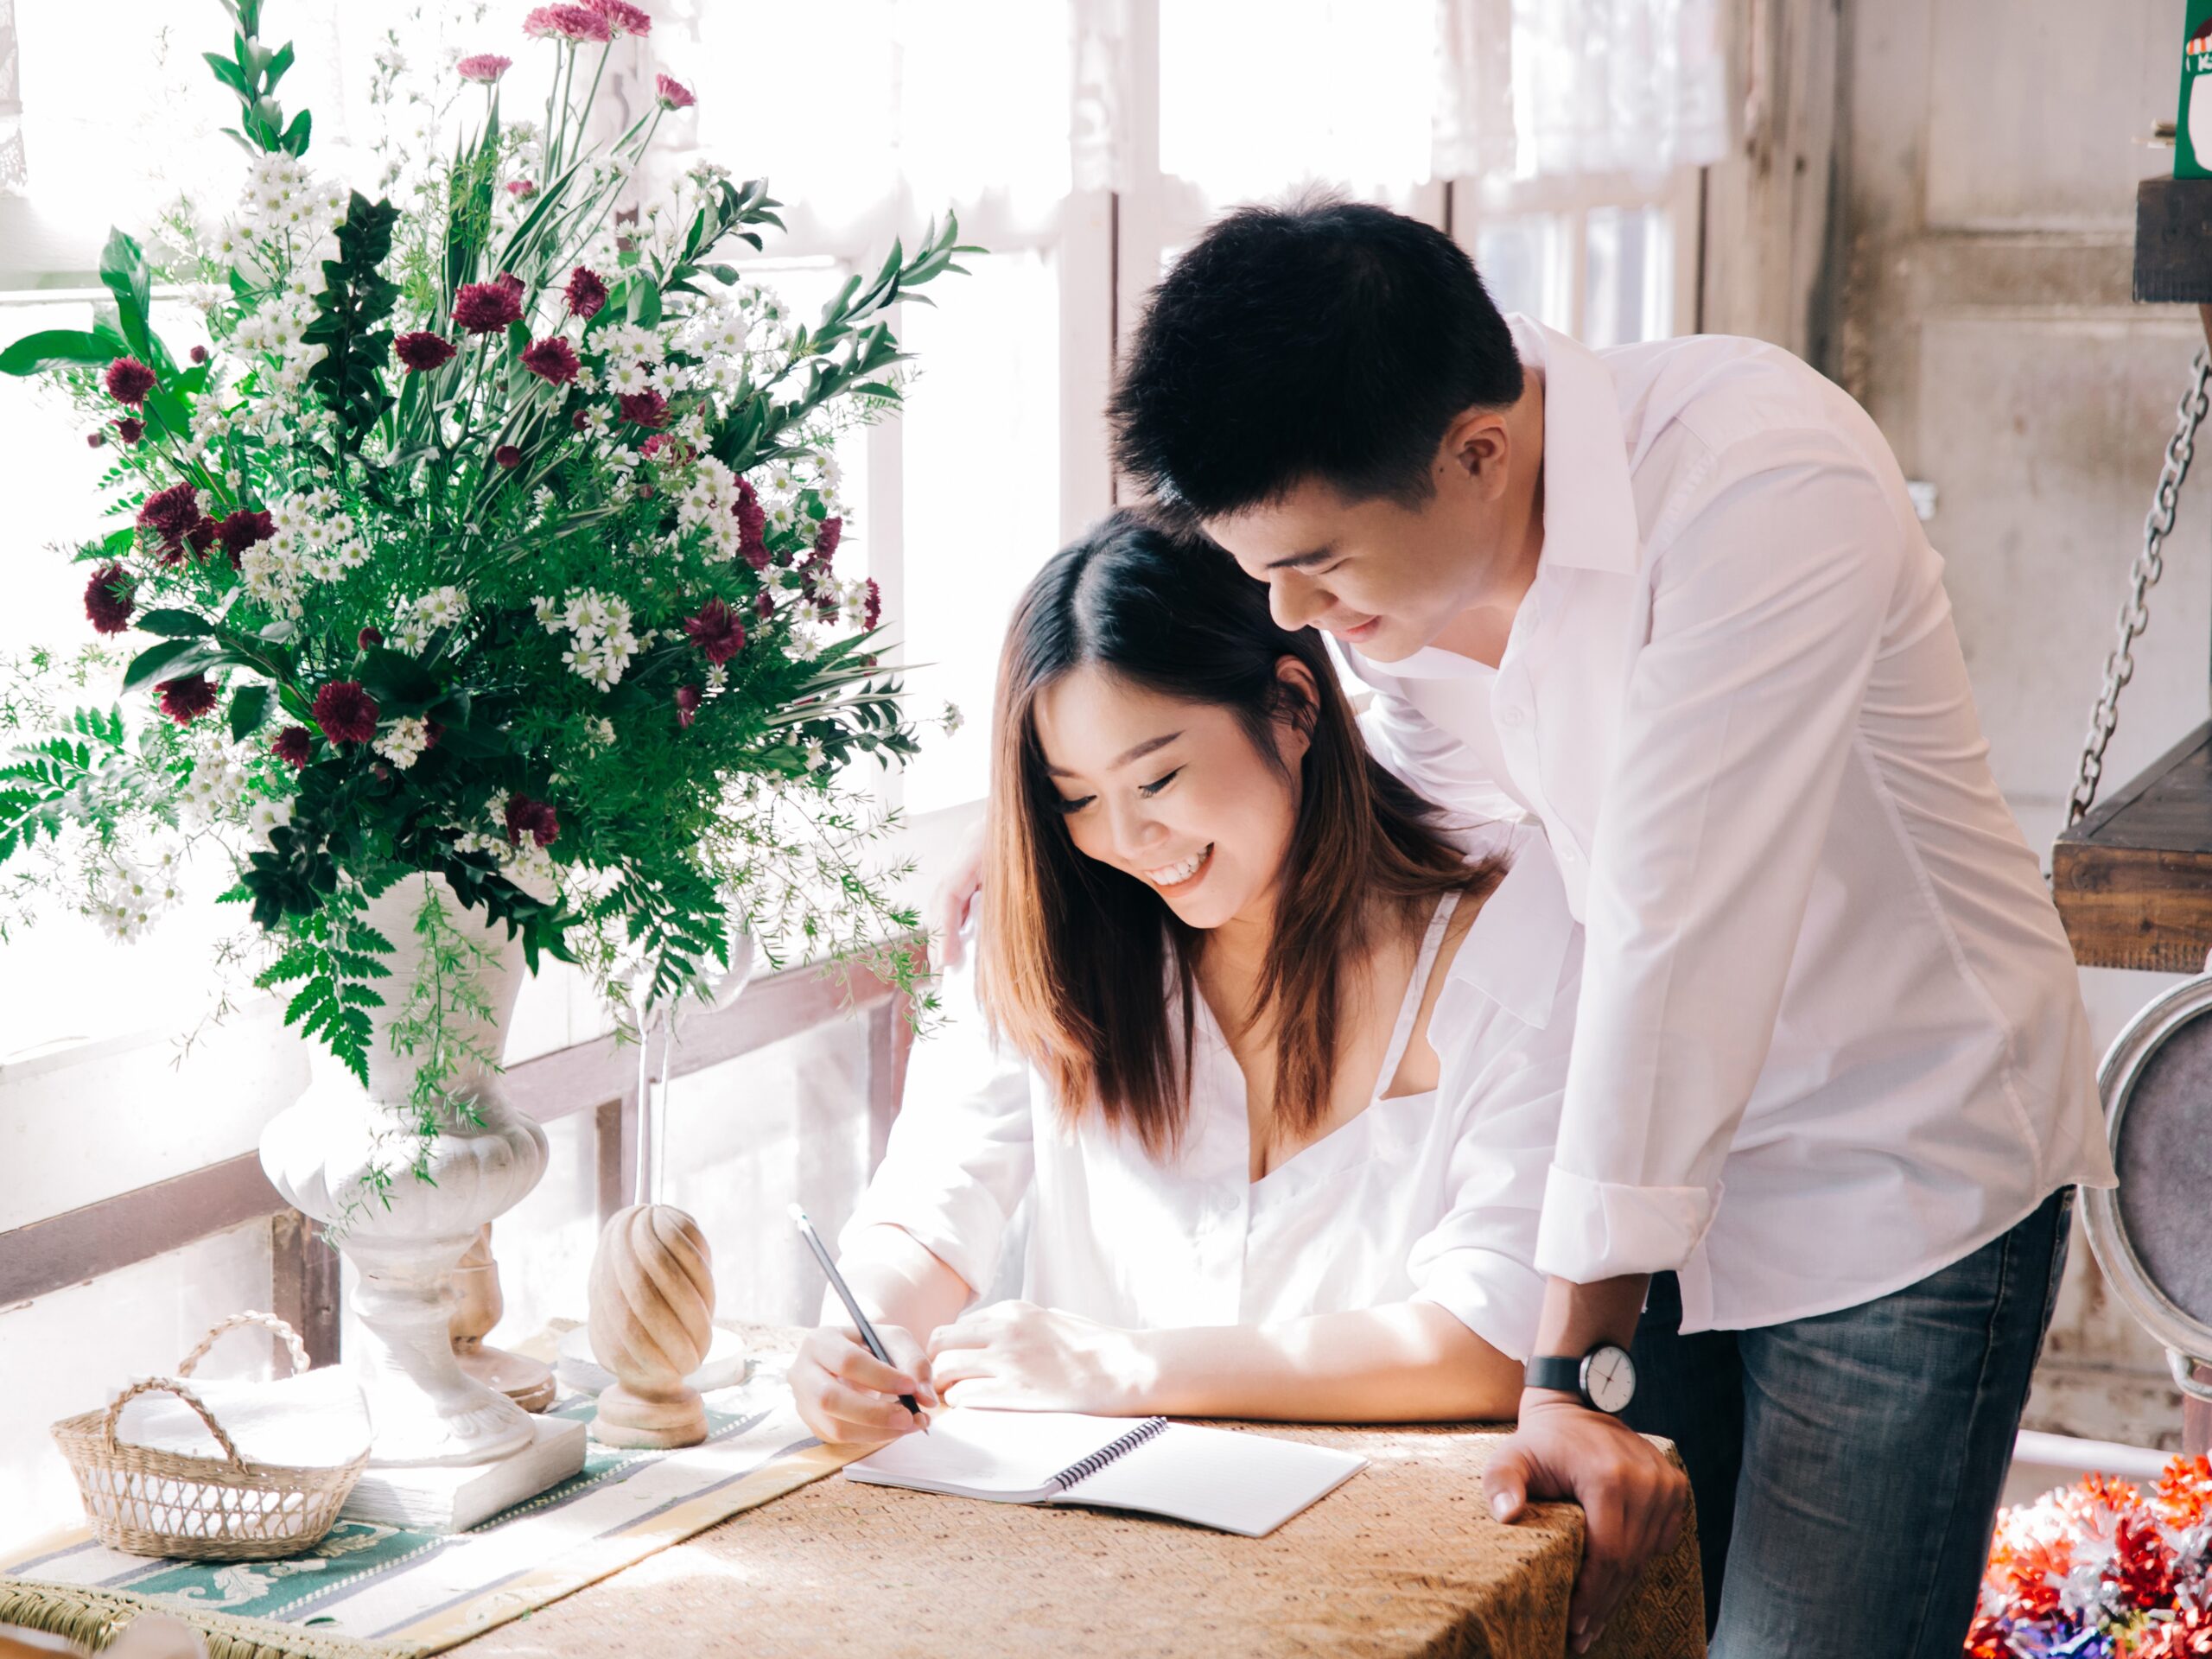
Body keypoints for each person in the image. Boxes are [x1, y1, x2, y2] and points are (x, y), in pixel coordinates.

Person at [1071, 194, 2116, 1657]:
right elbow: (1435, 847)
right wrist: (1060, 857)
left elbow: (1671, 934)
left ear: (1478, 450)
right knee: (1618, 1632)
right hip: (1634, 1197)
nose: (1292, 610)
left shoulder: (1757, 480)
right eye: (1262, 573)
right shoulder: (1394, 592)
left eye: (1319, 565)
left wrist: (1565, 1362)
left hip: (1894, 1173)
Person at [791, 512, 1624, 1463]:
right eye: (1075, 798)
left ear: (1294, 707)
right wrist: (860, 1334)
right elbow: (929, 1207)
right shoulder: (1049, 933)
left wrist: (1125, 1371)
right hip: (1097, 1541)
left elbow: (1493, 1342)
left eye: (1158, 779)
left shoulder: (1510, 937)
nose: (1125, 840)